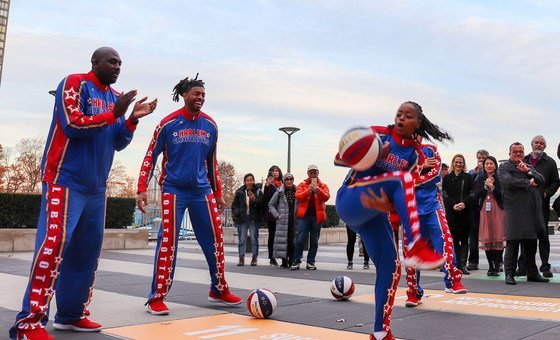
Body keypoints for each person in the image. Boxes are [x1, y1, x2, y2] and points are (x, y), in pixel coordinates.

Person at [9, 47, 157, 340]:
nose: (117, 67)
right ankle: (29, 323)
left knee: (87, 252)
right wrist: (114, 113)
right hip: (65, 179)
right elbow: (72, 124)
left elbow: (117, 141)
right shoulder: (74, 83)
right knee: (54, 245)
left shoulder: (116, 98)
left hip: (96, 187)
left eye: (120, 63)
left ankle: (72, 314)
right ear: (95, 62)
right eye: (112, 62)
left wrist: (130, 120)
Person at [335, 101, 450, 340]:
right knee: (401, 180)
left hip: (374, 214)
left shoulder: (416, 155)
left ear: (418, 123)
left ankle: (380, 331)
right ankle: (416, 245)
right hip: (350, 199)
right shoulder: (376, 133)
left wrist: (384, 204)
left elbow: (397, 198)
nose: (401, 119)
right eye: (398, 114)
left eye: (408, 116)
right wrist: (375, 154)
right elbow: (339, 159)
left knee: (391, 267)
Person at [137, 75, 242, 316]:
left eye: (203, 95)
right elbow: (150, 157)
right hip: (173, 190)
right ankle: (157, 296)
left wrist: (218, 192)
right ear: (185, 95)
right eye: (196, 94)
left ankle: (218, 289)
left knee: (215, 239)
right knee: (168, 242)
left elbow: (212, 163)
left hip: (202, 191)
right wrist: (141, 188)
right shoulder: (167, 124)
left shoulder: (211, 126)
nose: (200, 98)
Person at [404, 143, 467, 310]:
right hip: (410, 209)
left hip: (432, 206)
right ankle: (413, 291)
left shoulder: (430, 149)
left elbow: (436, 175)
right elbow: (397, 178)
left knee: (445, 240)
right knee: (412, 251)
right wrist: (421, 167)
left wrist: (412, 176)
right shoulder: (399, 152)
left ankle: (452, 280)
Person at [498, 142, 549, 285]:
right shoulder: (504, 168)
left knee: (531, 243)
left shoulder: (528, 167)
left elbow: (541, 180)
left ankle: (532, 273)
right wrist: (527, 183)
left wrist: (528, 171)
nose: (518, 154)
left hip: (531, 210)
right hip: (514, 211)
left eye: (521, 151)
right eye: (515, 152)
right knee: (512, 244)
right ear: (510, 154)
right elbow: (507, 181)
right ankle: (509, 274)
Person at [517, 136, 559, 278]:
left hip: (542, 204)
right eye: (537, 142)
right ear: (532, 144)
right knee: (525, 236)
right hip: (525, 205)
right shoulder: (524, 160)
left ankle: (545, 266)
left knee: (543, 236)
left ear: (545, 146)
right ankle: (522, 266)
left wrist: (547, 192)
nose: (539, 145)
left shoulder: (551, 162)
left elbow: (556, 182)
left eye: (541, 143)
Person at [291, 165, 330, 270]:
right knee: (300, 239)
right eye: (311, 172)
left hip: (317, 217)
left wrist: (318, 191)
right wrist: (308, 191)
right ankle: (296, 260)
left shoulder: (323, 186)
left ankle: (311, 262)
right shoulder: (302, 184)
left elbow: (326, 197)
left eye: (315, 172)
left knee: (314, 241)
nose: (313, 174)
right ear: (307, 174)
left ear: (318, 174)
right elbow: (298, 196)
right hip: (304, 217)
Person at [473, 156, 505, 276]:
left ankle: (497, 266)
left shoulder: (500, 178)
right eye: (487, 164)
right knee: (488, 237)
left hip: (498, 208)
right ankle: (490, 266)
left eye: (491, 163)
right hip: (485, 209)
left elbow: (502, 194)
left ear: (495, 165)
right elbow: (476, 195)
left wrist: (492, 187)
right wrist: (486, 186)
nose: (489, 166)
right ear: (484, 166)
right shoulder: (480, 178)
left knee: (498, 236)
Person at [442, 154, 474, 275]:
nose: (459, 164)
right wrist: (453, 205)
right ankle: (454, 263)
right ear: (453, 163)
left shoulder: (468, 177)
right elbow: (444, 194)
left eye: (461, 162)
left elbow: (472, 193)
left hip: (465, 211)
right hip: (452, 212)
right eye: (456, 162)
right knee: (454, 239)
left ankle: (463, 264)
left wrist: (464, 203)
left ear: (464, 163)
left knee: (465, 239)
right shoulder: (447, 178)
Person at [232, 173, 264, 266]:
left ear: (253, 181)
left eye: (251, 180)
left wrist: (254, 199)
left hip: (254, 218)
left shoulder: (258, 191)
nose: (249, 182)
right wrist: (237, 215)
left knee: (254, 239)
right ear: (244, 182)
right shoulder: (239, 192)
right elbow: (234, 206)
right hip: (242, 219)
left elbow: (262, 205)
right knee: (242, 239)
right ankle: (241, 258)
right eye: (247, 180)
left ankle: (254, 258)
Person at [268, 173, 297, 268]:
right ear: (284, 181)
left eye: (291, 179)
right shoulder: (280, 191)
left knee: (292, 240)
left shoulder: (297, 190)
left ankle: (292, 260)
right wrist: (277, 215)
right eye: (287, 179)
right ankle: (284, 261)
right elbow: (271, 204)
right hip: (283, 220)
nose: (289, 181)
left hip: (293, 219)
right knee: (283, 240)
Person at [467, 149, 489, 271]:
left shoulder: (492, 171)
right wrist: (475, 173)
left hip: (488, 206)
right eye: (479, 158)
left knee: (491, 234)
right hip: (475, 207)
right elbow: (469, 185)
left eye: (483, 158)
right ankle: (473, 261)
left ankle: (497, 261)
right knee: (473, 235)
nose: (480, 160)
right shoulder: (472, 172)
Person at [263, 165, 283, 266]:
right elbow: (265, 199)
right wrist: (267, 185)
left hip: (282, 213)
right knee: (272, 236)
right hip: (271, 214)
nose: (275, 173)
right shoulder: (268, 184)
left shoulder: (283, 183)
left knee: (282, 237)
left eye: (276, 171)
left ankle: (284, 258)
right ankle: (272, 258)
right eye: (273, 171)